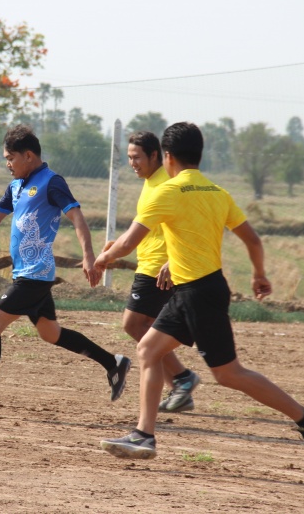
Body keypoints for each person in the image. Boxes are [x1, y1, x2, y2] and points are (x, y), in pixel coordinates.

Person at [95, 122, 304, 463]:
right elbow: (252, 240)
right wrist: (259, 274)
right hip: (197, 289)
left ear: (168, 157)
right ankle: (144, 435)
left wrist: (103, 258)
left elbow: (129, 243)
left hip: (198, 294)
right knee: (148, 350)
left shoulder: (167, 192)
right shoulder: (218, 192)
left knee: (228, 373)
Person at [0, 124, 131, 417]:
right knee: (51, 333)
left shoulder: (51, 182)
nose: (7, 164)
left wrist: (89, 256)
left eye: (10, 158)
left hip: (35, 275)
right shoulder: (16, 186)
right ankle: (113, 363)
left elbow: (77, 217)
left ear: (28, 155)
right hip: (28, 274)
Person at [115, 131, 200, 413]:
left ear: (155, 155)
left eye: (137, 157)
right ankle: (180, 384)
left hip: (157, 269)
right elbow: (146, 225)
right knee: (149, 328)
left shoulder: (166, 183)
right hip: (150, 265)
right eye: (129, 158)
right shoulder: (151, 182)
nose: (132, 163)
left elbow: (189, 225)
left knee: (133, 324)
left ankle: (181, 378)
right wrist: (115, 245)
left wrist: (173, 260)